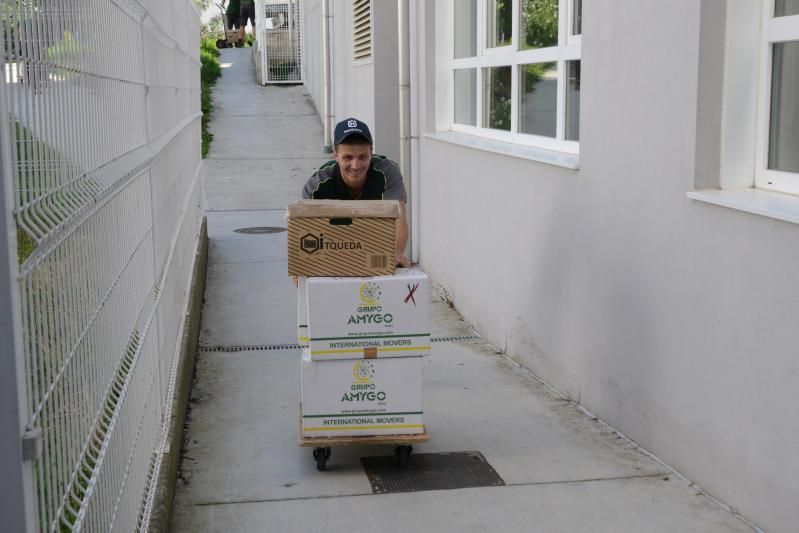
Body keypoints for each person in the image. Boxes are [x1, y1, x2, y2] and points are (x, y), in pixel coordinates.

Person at [302, 118, 411, 268]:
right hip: (334, 249)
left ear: (371, 153)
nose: (355, 165)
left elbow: (399, 216)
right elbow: (304, 230)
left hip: (376, 248)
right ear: (335, 155)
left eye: (362, 157)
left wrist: (396, 253)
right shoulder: (316, 186)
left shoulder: (388, 172)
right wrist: (303, 262)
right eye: (348, 157)